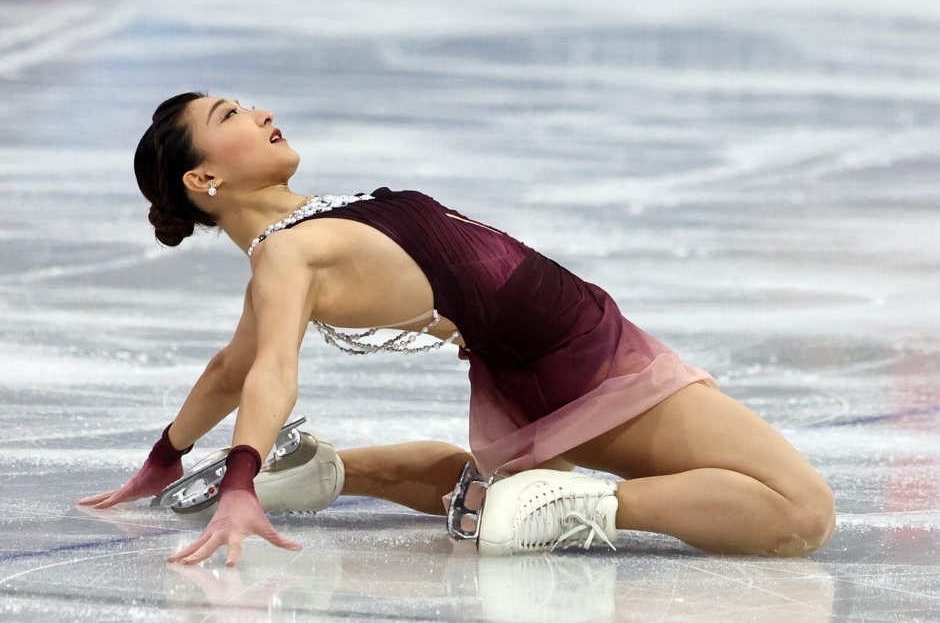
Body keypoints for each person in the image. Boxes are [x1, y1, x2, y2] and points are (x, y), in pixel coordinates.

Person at [79, 92, 836, 566]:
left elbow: (230, 369)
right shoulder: (287, 256)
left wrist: (167, 455)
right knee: (799, 510)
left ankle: (326, 471)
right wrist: (239, 475)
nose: (261, 112)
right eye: (230, 116)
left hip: (525, 373)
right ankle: (573, 505)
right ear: (204, 180)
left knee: (483, 488)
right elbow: (270, 368)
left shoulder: (296, 237)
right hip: (584, 356)